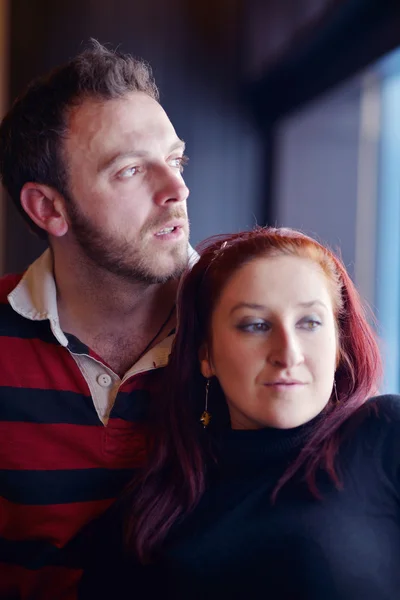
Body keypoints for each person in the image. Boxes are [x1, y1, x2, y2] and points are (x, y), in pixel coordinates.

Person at [79, 226, 400, 600]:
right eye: (256, 325)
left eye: (309, 323)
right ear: (207, 356)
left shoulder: (384, 436)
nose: (288, 353)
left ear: (338, 345)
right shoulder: (146, 516)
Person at [0, 40, 192, 599]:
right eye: (131, 170)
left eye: (176, 160)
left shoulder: (254, 330)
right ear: (49, 209)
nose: (177, 189)